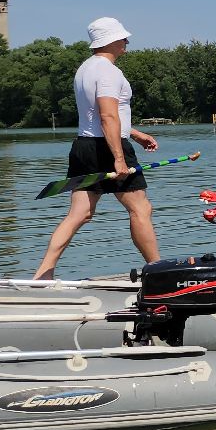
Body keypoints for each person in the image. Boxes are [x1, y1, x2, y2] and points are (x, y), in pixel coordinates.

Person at [33, 17, 161, 279]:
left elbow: (97, 115)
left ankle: (43, 275)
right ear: (110, 41)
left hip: (84, 146)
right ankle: (159, 272)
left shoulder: (85, 68)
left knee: (79, 214)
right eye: (122, 37)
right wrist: (118, 157)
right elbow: (107, 116)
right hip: (107, 147)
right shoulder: (108, 71)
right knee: (141, 209)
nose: (126, 41)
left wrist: (134, 133)